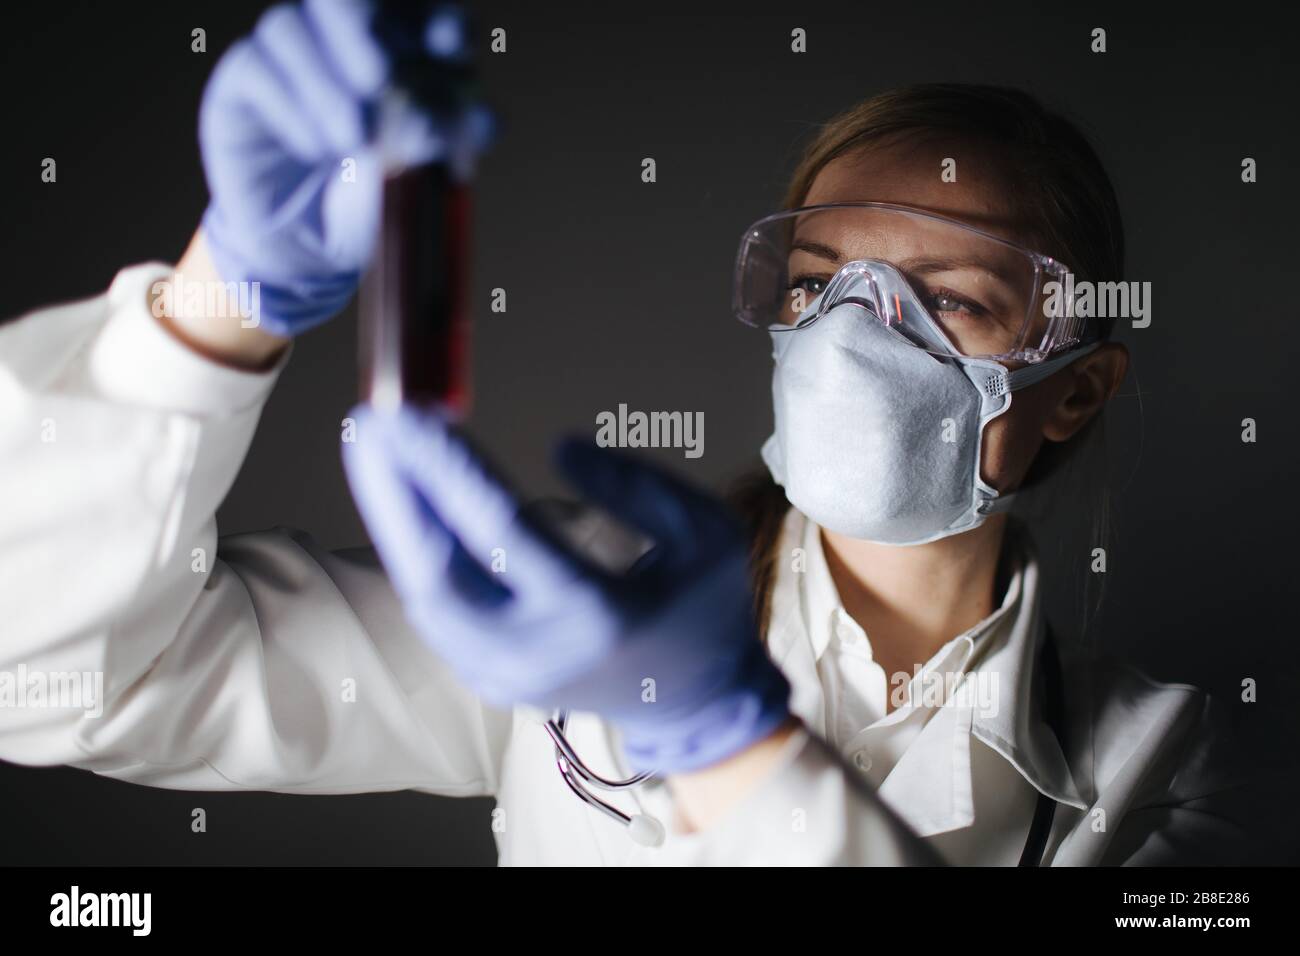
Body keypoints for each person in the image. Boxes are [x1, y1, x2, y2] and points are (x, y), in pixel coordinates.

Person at [0, 0, 1272, 865]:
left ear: (1076, 386)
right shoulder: (571, 612)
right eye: (815, 281)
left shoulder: (1180, 772)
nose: (853, 336)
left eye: (945, 300)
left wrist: (724, 739)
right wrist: (218, 301)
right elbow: (57, 677)